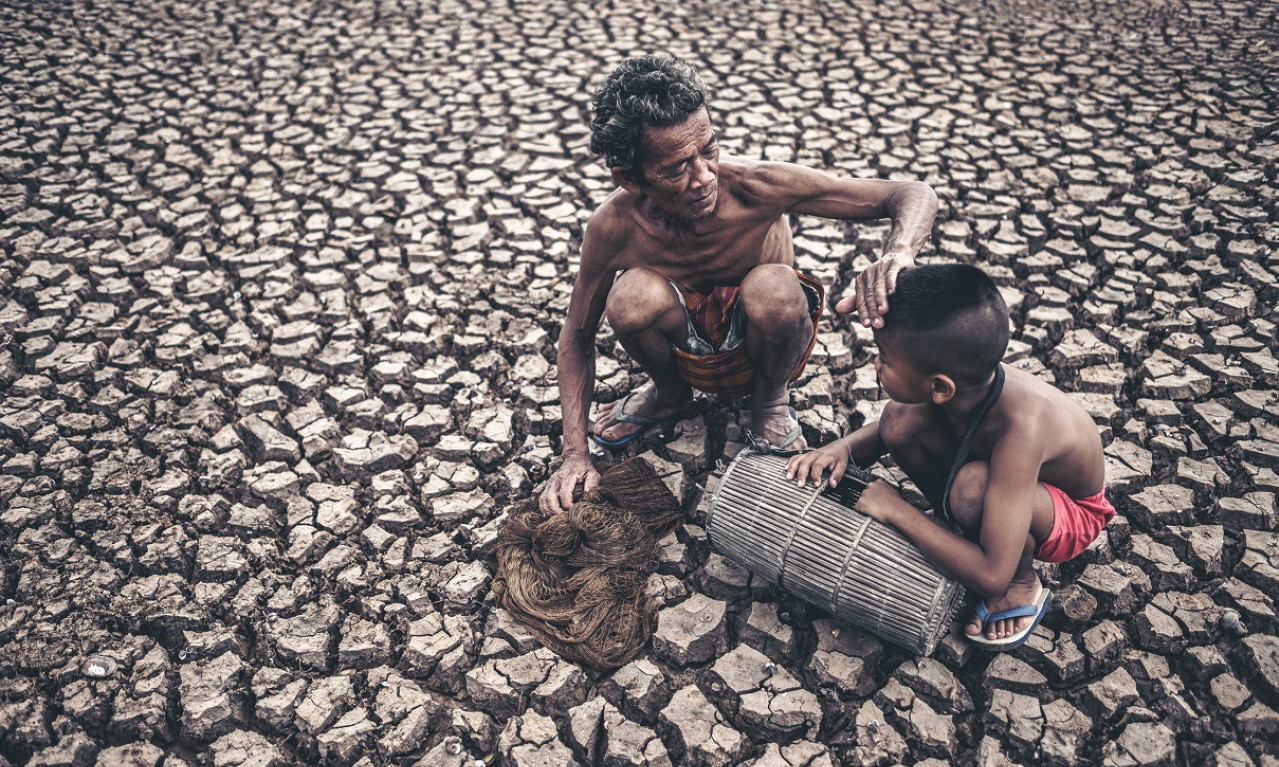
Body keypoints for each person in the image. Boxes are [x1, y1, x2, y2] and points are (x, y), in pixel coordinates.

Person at [539, 54, 939, 515]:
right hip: (683, 343)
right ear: (631, 179)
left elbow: (911, 193)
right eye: (676, 169)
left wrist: (898, 252)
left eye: (708, 149)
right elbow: (577, 334)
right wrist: (575, 454)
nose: (704, 177)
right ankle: (670, 395)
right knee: (628, 297)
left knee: (774, 286)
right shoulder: (614, 228)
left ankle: (770, 403)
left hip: (765, 342)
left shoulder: (756, 186)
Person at [785, 264, 1113, 648]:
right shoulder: (969, 379)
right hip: (1006, 481)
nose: (876, 365)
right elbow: (886, 431)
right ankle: (956, 532)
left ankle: (1022, 583)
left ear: (941, 387)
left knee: (972, 490)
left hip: (1069, 511)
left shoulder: (1022, 428)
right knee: (898, 420)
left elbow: (990, 575)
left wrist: (896, 510)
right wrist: (842, 448)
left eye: (885, 358)